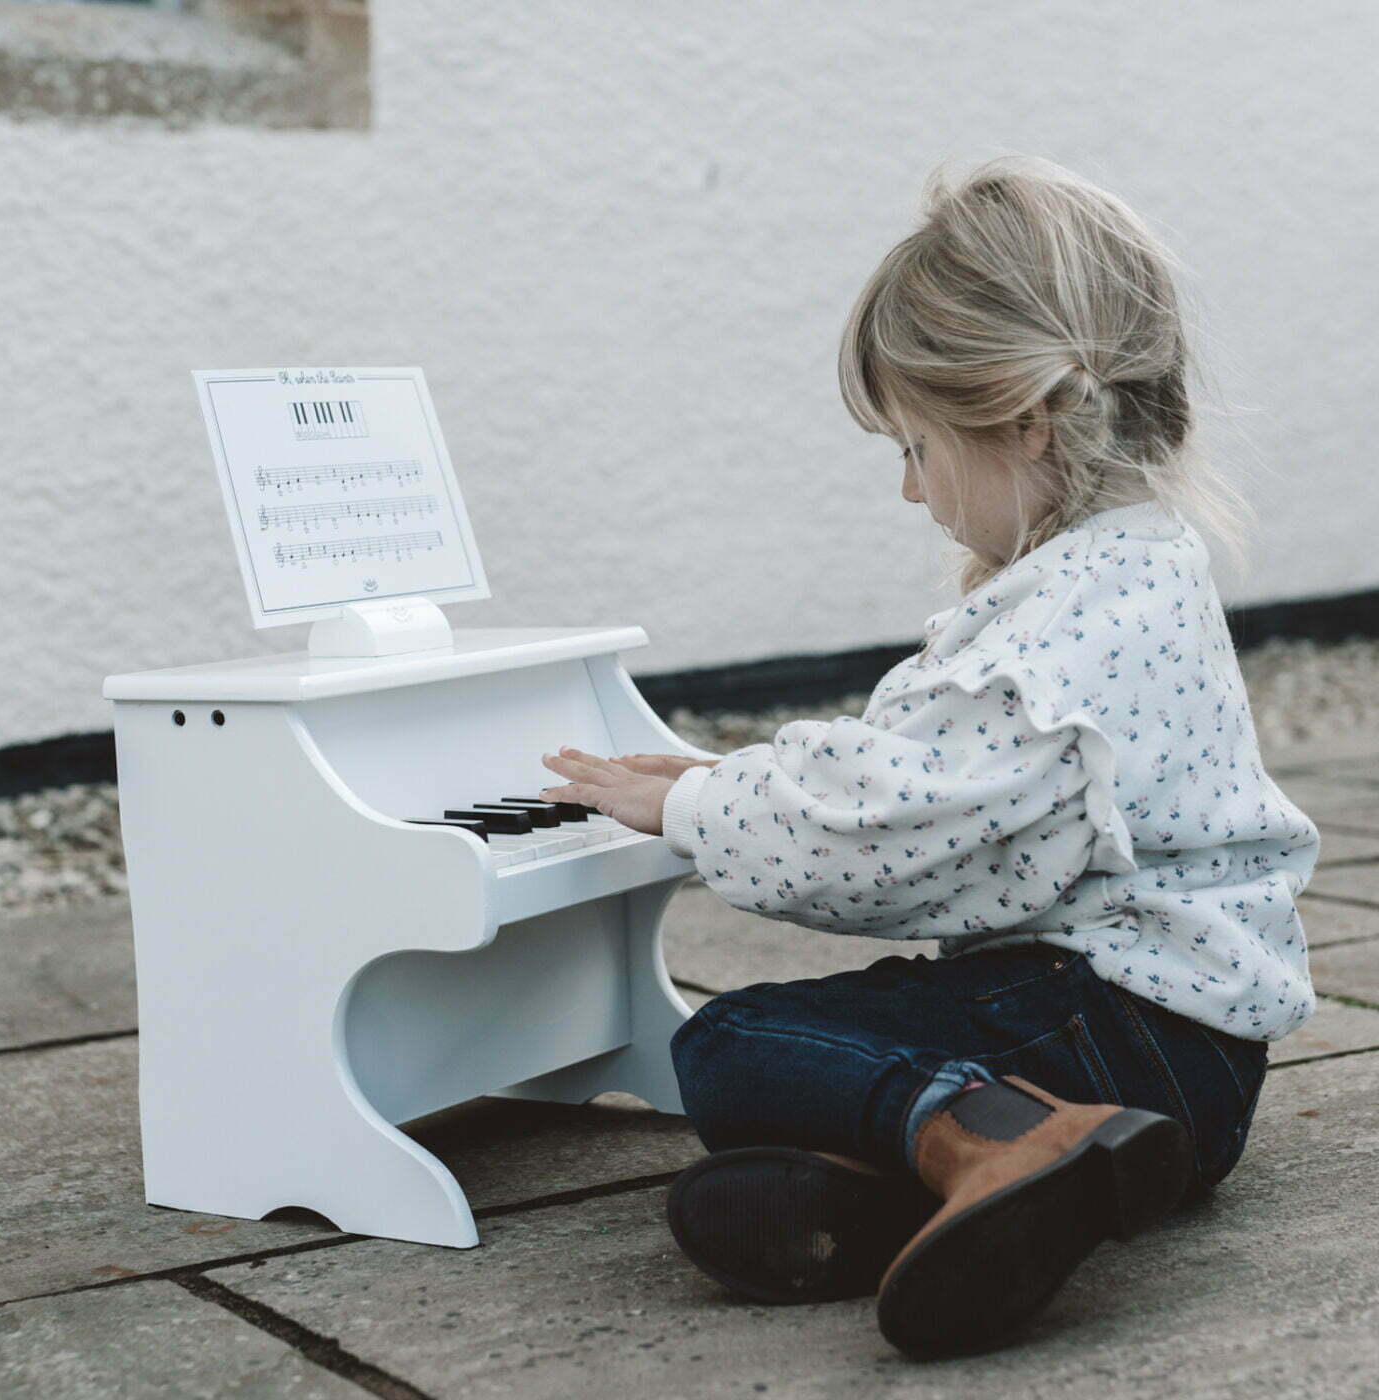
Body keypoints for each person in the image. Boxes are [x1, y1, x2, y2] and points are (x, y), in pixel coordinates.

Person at [538, 153, 1320, 1361]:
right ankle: (944, 1194)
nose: (908, 488)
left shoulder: (1062, 633)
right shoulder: (1134, 565)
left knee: (729, 1045)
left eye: (913, 443)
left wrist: (700, 803)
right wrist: (721, 781)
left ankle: (1000, 1137)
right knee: (763, 1165)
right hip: (1198, 1067)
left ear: (1020, 417)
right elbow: (933, 790)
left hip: (1111, 1030)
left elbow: (886, 832)